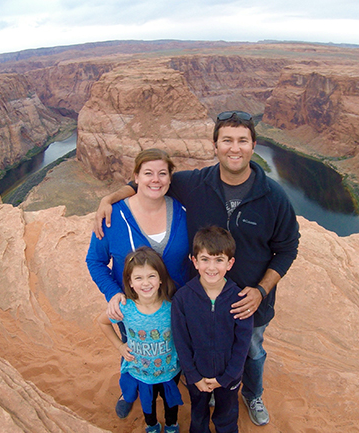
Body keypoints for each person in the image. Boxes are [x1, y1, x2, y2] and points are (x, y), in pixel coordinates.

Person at [94, 110, 300, 426]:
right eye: (227, 140)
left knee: (253, 351)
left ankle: (252, 393)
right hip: (201, 297)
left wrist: (262, 290)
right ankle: (205, 388)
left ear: (254, 145)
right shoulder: (195, 183)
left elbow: (287, 248)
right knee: (205, 346)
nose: (235, 148)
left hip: (249, 301)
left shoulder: (273, 196)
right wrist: (109, 198)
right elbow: (149, 182)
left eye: (242, 141)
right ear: (215, 146)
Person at [86, 148, 190, 418]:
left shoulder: (183, 212)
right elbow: (95, 261)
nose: (155, 180)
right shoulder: (112, 216)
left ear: (170, 178)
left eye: (162, 174)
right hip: (133, 305)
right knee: (132, 348)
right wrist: (113, 293)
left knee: (173, 345)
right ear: (135, 177)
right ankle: (129, 389)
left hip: (175, 306)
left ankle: (175, 383)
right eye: (148, 173)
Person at [171, 226, 253, 433]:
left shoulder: (240, 300)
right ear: (194, 261)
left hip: (229, 377)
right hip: (196, 375)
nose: (212, 267)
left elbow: (242, 344)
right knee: (198, 414)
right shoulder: (182, 299)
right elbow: (181, 341)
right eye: (205, 259)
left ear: (230, 263)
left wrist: (226, 378)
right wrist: (193, 376)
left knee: (227, 413)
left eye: (219, 260)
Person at [96, 247, 183, 433]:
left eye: (151, 276)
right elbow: (102, 322)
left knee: (170, 403)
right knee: (148, 404)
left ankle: (171, 425)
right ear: (130, 282)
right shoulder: (125, 308)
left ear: (161, 279)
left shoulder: (173, 307)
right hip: (140, 373)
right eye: (138, 278)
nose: (146, 283)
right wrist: (119, 346)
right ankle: (152, 426)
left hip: (170, 371)